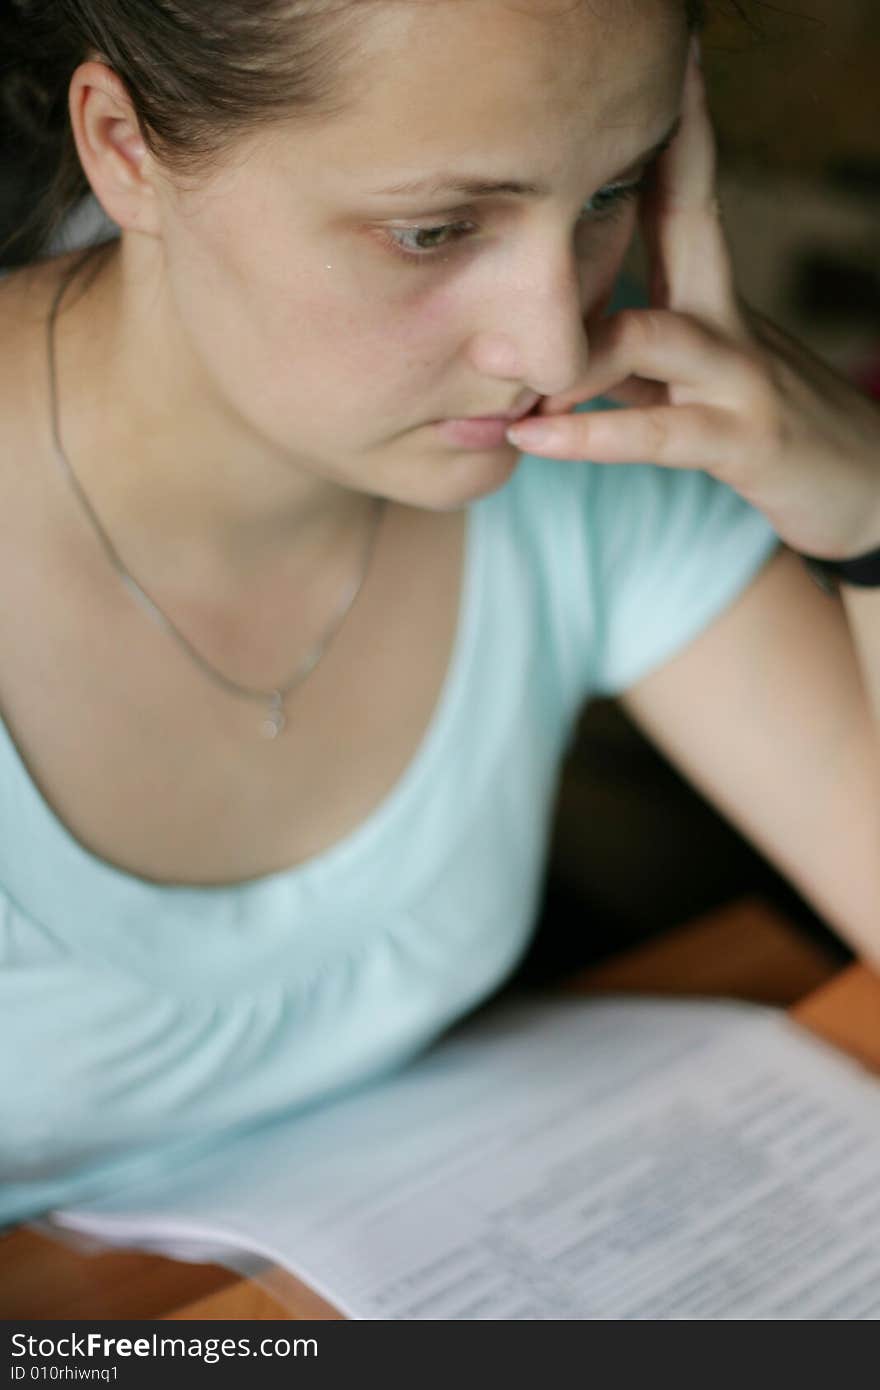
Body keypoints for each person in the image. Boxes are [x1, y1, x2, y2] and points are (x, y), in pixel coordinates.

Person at [0, 0, 878, 1233]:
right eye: (431, 231)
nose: (555, 343)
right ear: (125, 146)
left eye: (608, 192)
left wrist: (867, 514)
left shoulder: (589, 457)